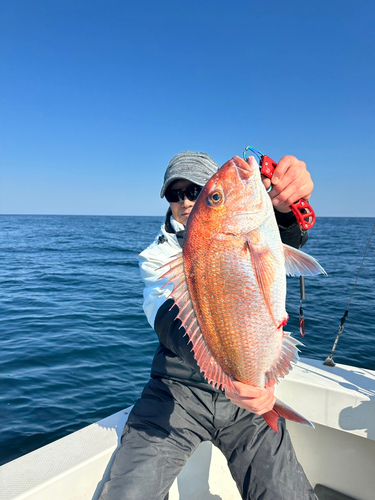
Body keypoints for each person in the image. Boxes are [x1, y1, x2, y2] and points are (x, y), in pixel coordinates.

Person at [99, 151, 317, 500]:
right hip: (175, 395)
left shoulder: (246, 226)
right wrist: (230, 371)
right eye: (175, 194)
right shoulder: (157, 256)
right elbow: (170, 322)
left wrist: (285, 208)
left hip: (248, 405)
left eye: (199, 191)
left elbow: (278, 245)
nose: (185, 201)